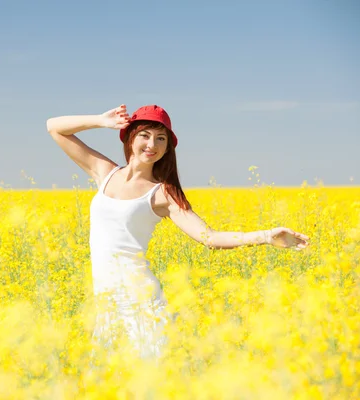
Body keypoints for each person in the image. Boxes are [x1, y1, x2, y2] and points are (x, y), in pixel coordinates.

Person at [46, 104, 310, 360]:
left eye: (161, 139)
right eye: (145, 135)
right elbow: (54, 127)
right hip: (106, 303)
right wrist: (101, 121)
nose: (152, 145)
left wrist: (265, 236)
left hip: (139, 302)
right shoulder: (104, 173)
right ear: (129, 138)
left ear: (167, 148)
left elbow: (210, 237)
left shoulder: (162, 193)